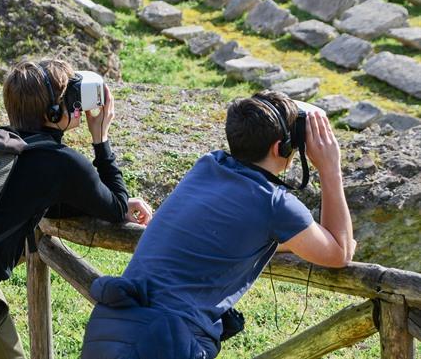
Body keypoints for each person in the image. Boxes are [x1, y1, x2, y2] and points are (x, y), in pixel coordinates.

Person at [0, 59, 153, 359]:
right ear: (55, 111)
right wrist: (101, 138)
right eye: (71, 95)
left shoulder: (2, 142)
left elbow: (47, 203)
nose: (77, 103)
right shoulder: (61, 161)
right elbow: (116, 207)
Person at [81, 90, 356, 359]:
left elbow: (229, 236)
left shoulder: (207, 166)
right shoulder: (273, 202)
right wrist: (330, 168)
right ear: (280, 147)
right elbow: (339, 253)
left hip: (110, 327)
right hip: (164, 342)